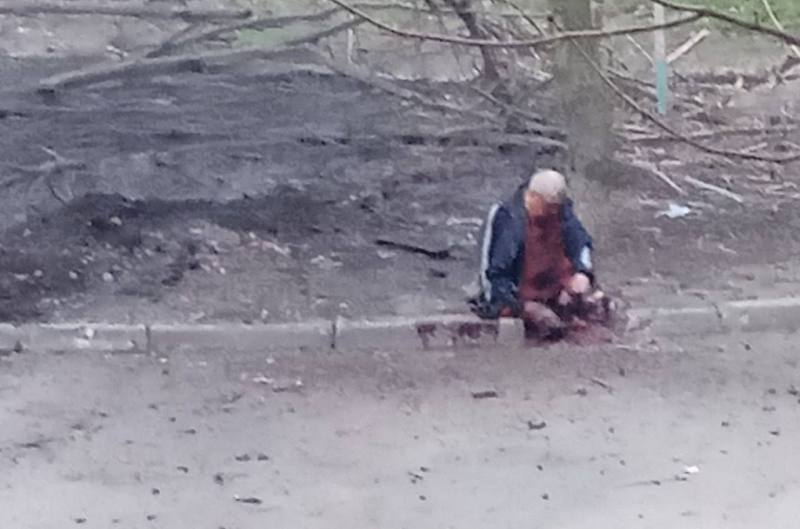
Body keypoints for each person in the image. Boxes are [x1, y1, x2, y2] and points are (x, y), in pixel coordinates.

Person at [470, 169, 610, 339]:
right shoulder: (508, 219)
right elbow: (494, 276)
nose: (552, 213)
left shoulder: (561, 210)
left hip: (553, 290)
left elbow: (581, 243)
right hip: (517, 295)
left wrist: (583, 273)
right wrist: (523, 307)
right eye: (547, 207)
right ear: (532, 197)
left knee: (598, 304)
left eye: (555, 208)